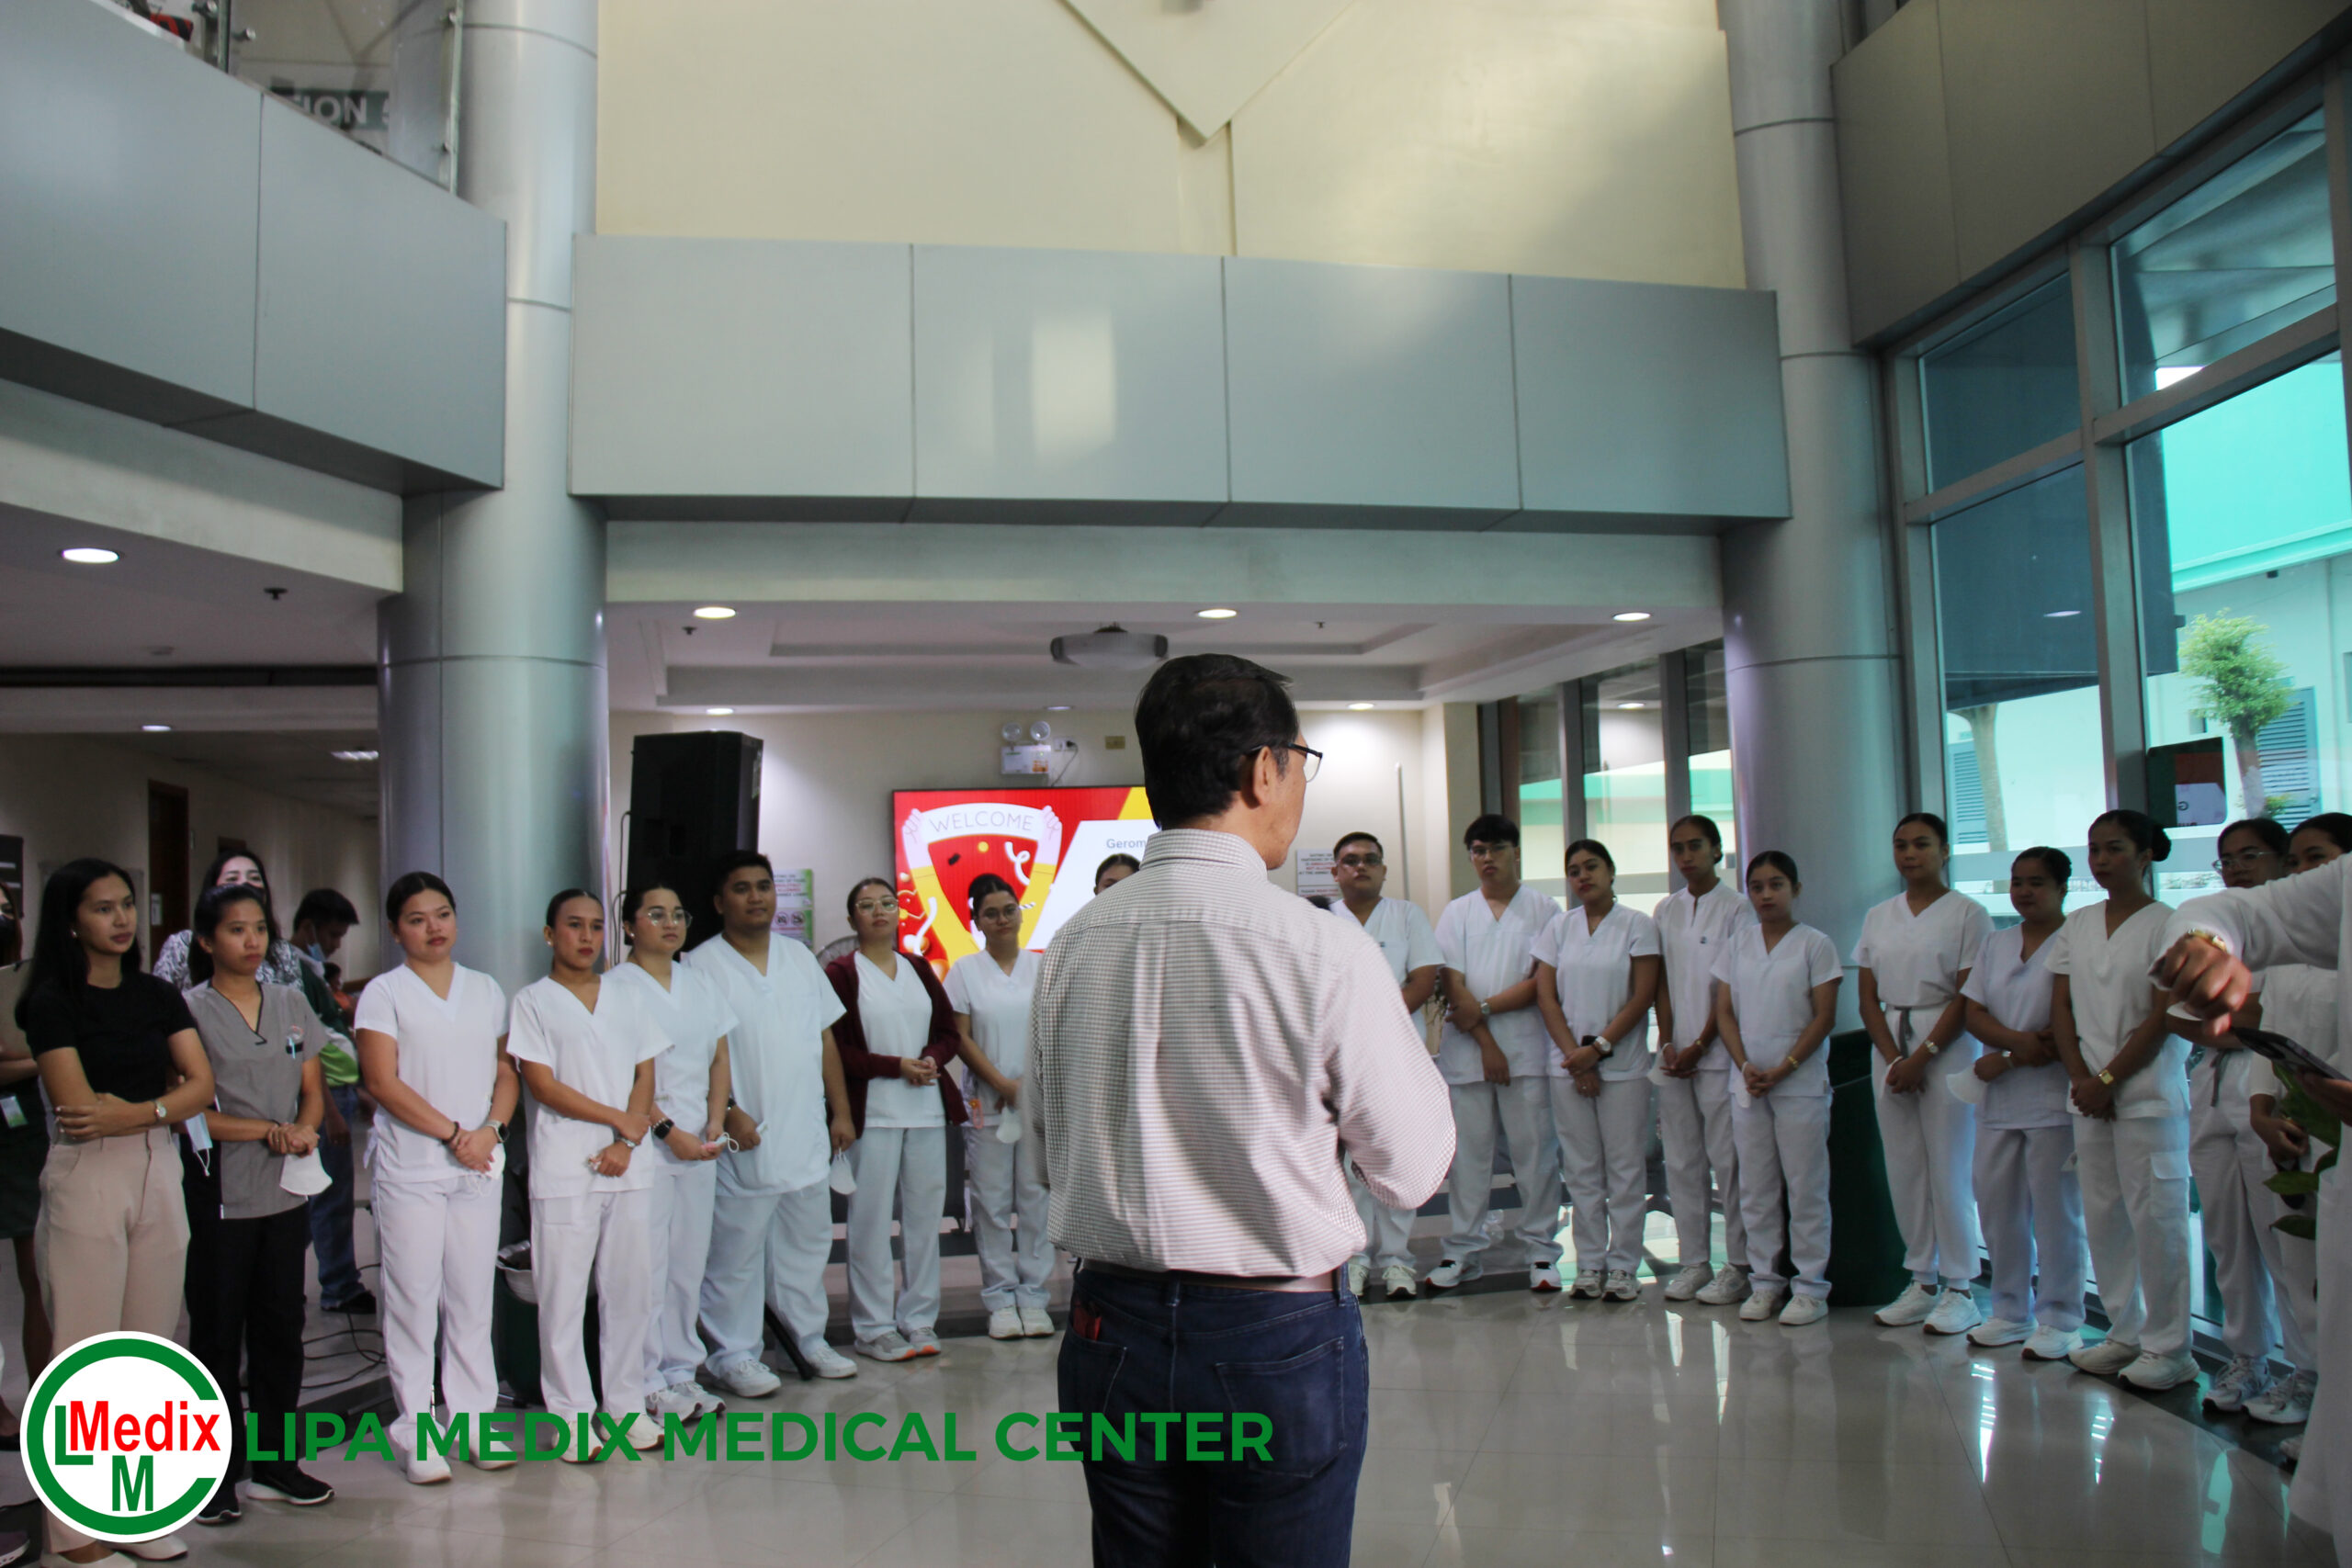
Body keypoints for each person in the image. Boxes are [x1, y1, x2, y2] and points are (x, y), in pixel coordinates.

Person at [1028, 653, 1453, 1568]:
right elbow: (1413, 1170)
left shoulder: (1073, 942)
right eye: (1301, 762)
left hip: (1110, 1325)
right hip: (1273, 1334)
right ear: (1265, 768)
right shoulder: (1319, 945)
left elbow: (1047, 1154)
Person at [18, 858, 215, 1566]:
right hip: (89, 1174)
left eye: (126, 903)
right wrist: (162, 1104)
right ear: (71, 920)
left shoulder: (157, 994)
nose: (122, 918)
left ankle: (131, 1509)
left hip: (158, 1164)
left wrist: (139, 1112)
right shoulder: (51, 1002)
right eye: (103, 908)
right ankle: (71, 1531)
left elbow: (203, 1084)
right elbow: (78, 1110)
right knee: (84, 1351)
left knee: (149, 1348)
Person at [352, 872, 520, 1483]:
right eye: (417, 919)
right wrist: (454, 1134)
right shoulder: (384, 993)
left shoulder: (485, 989)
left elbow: (506, 1069)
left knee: (472, 1298)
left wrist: (491, 1131)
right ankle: (416, 1429)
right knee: (413, 1300)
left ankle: (472, 1421)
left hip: (478, 1164)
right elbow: (382, 1081)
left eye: (442, 914)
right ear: (396, 930)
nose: (433, 928)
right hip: (413, 1167)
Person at [178, 882, 334, 1522]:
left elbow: (312, 1089)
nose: (251, 941)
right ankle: (214, 1477)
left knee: (281, 1330)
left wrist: (305, 1128)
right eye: (236, 929)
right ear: (206, 940)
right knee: (218, 1335)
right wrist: (266, 1131)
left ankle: (275, 1464)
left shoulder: (291, 1001)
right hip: (221, 1192)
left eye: (260, 929)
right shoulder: (188, 1011)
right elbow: (188, 1112)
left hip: (286, 1191)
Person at [684, 852, 859, 1388]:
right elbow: (693, 1054)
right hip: (744, 1132)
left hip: (803, 1127)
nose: (756, 897)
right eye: (741, 888)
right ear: (719, 903)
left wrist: (841, 1111)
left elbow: (824, 1037)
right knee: (735, 1251)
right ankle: (733, 1354)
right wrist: (728, 1112)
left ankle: (806, 1341)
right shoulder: (700, 965)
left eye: (763, 886)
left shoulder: (798, 957)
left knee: (805, 1246)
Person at [505, 890, 666, 1457]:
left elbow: (645, 1073)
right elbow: (543, 1086)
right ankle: (571, 1418)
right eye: (574, 926)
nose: (587, 937)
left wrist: (627, 1140)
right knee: (563, 1296)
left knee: (629, 1293)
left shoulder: (628, 995)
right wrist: (618, 1122)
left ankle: (625, 1408)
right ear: (550, 934)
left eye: (596, 927)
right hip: (566, 1166)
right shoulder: (532, 1002)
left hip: (629, 1165)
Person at [2046, 810, 2194, 1391]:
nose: (2101, 860)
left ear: (2145, 855)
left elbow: (2163, 1014)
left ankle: (2171, 1348)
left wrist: (2108, 1080)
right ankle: (2124, 1334)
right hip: (2087, 1094)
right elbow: (2062, 1007)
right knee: (2104, 1216)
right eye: (2094, 850)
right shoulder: (2078, 923)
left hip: (2147, 1095)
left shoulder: (2170, 923)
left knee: (2157, 1220)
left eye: (2114, 849)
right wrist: (2082, 1077)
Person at [1855, 812, 1993, 1337]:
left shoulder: (1968, 914)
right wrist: (1895, 1058)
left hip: (1947, 1046)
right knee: (1905, 1165)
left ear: (1944, 850)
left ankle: (1961, 1286)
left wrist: (1924, 1056)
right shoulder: (1879, 916)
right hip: (1892, 1043)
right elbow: (1867, 997)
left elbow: (1968, 995)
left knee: (1949, 1166)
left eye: (1921, 844)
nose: (1910, 854)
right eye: (1901, 845)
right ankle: (1922, 1278)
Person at [602, 884, 736, 1420]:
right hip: (647, 1148)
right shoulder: (616, 987)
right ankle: (643, 1381)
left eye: (678, 914)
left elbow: (719, 1057)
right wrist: (667, 1131)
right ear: (629, 925)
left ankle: (682, 1372)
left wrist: (715, 1121)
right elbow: (625, 1072)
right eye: (656, 914)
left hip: (699, 1145)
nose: (670, 923)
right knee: (646, 1267)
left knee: (686, 1264)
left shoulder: (699, 982)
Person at [2189, 818, 2304, 1417]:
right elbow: (2183, 1014)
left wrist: (2222, 1018)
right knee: (2226, 1238)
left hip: (2269, 1087)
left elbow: (2261, 1018)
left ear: (2284, 862)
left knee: (2281, 1240)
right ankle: (2248, 1357)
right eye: (2226, 859)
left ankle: (2306, 1369)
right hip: (2211, 1082)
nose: (2235, 868)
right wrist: (2226, 1019)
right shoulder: (2218, 931)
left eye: (2249, 856)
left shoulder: (2297, 933)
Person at [829, 876, 967, 1362]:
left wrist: (930, 1058)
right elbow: (837, 1050)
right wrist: (896, 1066)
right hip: (874, 1115)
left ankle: (919, 1318)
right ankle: (872, 1327)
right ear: (852, 918)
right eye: (866, 905)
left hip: (926, 1109)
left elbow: (948, 1032)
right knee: (869, 1222)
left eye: (887, 902)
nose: (879, 911)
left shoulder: (917, 967)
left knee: (924, 1219)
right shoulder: (842, 973)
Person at [1959, 847, 2087, 1360]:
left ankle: (2061, 1318)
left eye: (2037, 882)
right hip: (1999, 1096)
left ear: (2062, 888)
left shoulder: (2075, 941)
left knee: (2057, 1214)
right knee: (1998, 1208)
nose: (2025, 891)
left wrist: (2012, 1055)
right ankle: (2010, 1311)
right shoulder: (1997, 942)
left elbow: (2068, 1024)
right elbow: (1973, 1012)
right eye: (2017, 882)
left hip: (2052, 1096)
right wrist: (2015, 1046)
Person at [1427, 814, 1564, 1292]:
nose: (1487, 859)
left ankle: (1542, 1251)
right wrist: (1487, 1042)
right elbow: (1451, 981)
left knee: (1535, 1155)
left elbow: (1540, 982)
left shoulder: (1545, 909)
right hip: (1469, 1053)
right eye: (1479, 851)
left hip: (1526, 1050)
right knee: (1470, 1157)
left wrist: (1483, 1010)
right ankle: (1463, 1250)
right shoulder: (1458, 912)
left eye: (1497, 849)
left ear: (1516, 852)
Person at [1713, 850, 1842, 1326]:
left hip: (1800, 1082)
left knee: (1806, 1187)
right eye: (1757, 887)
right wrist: (1745, 1065)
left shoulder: (1816, 945)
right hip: (1749, 1082)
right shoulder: (1738, 944)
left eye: (1776, 885)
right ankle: (1765, 1281)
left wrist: (1785, 1068)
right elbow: (1725, 1012)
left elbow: (1824, 1017)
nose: (1766, 895)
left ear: (1795, 889)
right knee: (1756, 1186)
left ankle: (1810, 1286)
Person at [1532, 838, 1660, 1303]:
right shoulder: (1558, 928)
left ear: (1611, 871)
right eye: (1574, 870)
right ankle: (1589, 1264)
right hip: (1567, 1066)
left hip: (1622, 1066)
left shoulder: (1638, 925)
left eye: (1591, 867)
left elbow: (1642, 996)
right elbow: (1547, 997)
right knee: (1581, 1169)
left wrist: (1599, 1049)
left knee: (1625, 1168)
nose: (1582, 876)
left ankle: (1624, 1265)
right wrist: (1575, 1057)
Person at [1329, 831, 1441, 1302]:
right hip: (1341, 1062)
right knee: (1347, 1164)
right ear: (1335, 871)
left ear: (1384, 869)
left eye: (1371, 860)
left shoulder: (1407, 915)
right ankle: (1355, 1259)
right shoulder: (1323, 919)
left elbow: (1424, 979)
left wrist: (1375, 1023)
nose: (1361, 867)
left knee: (1393, 1160)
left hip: (1397, 1057)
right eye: (1351, 860)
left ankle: (1397, 1260)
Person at [944, 874, 1055, 1338]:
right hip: (986, 1104)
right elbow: (960, 1037)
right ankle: (1000, 1300)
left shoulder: (1042, 967)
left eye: (1009, 910)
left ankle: (1034, 1297)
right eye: (991, 913)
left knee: (1035, 1201)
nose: (1002, 919)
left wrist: (1026, 1086)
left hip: (1035, 1102)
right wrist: (1001, 1084)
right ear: (977, 922)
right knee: (990, 1204)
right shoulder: (964, 971)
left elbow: (1054, 1029)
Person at [1652, 814, 1758, 1306]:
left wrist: (1701, 1043)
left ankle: (1739, 1265)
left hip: (1717, 1056)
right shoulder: (1666, 909)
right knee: (1682, 1161)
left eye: (1695, 846)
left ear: (1717, 850)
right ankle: (1694, 1261)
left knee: (1728, 1162)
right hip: (1675, 1058)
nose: (1686, 856)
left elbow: (1731, 987)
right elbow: (1661, 983)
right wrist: (1669, 1040)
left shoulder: (1737, 909)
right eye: (1678, 848)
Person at [290, 889, 371, 1316]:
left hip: (339, 1089)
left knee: (319, 1196)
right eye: (333, 935)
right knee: (329, 1196)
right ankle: (339, 1284)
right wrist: (333, 1109)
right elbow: (310, 1046)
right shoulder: (296, 974)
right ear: (309, 928)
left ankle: (298, 1280)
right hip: (324, 1096)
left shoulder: (314, 971)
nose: (337, 944)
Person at [0, 890, 54, 1439]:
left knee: (36, 1272)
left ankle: (44, 1398)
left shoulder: (32, 982)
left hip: (21, 1131)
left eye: (4, 910)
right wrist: (38, 1060)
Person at [150, 850, 307, 989]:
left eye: (254, 878)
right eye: (232, 878)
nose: (244, 884)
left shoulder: (282, 952)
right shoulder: (181, 946)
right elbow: (159, 1000)